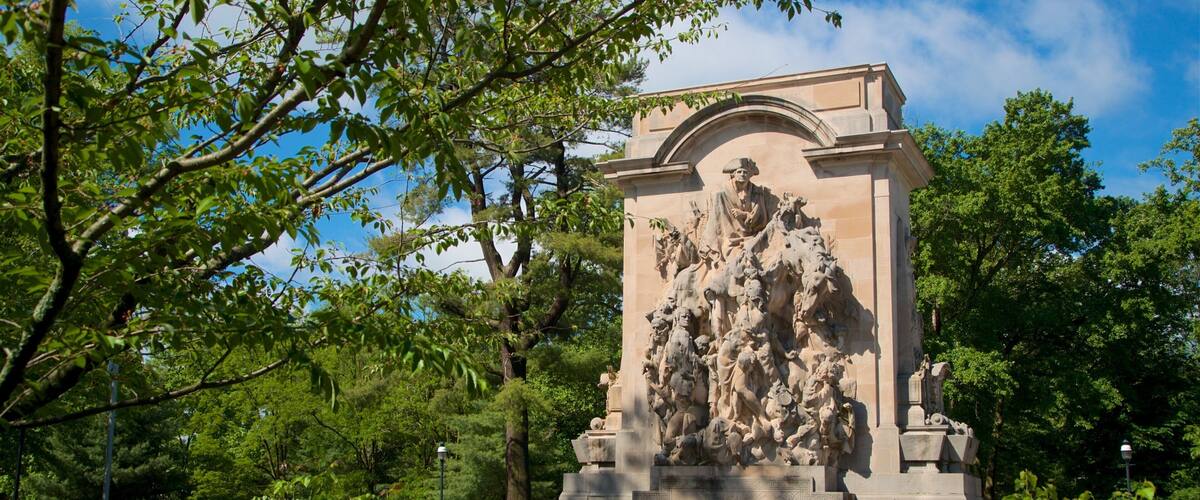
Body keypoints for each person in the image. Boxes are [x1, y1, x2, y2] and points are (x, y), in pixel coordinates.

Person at [701, 157, 768, 261]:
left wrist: (744, 214)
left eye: (745, 172)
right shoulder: (721, 195)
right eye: (739, 172)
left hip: (752, 236)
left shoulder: (757, 192)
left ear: (750, 175)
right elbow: (715, 220)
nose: (742, 174)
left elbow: (762, 219)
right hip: (730, 238)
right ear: (733, 174)